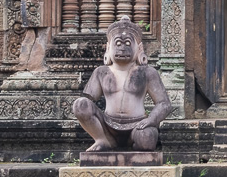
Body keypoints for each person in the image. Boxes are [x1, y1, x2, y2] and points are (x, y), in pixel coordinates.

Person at [72, 16, 172, 152]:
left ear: (139, 48)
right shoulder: (101, 72)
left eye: (128, 44)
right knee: (80, 104)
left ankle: (133, 144)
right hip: (107, 125)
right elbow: (88, 101)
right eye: (118, 44)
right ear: (108, 47)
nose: (122, 48)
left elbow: (164, 103)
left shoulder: (147, 72)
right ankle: (102, 140)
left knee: (147, 139)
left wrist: (151, 120)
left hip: (138, 125)